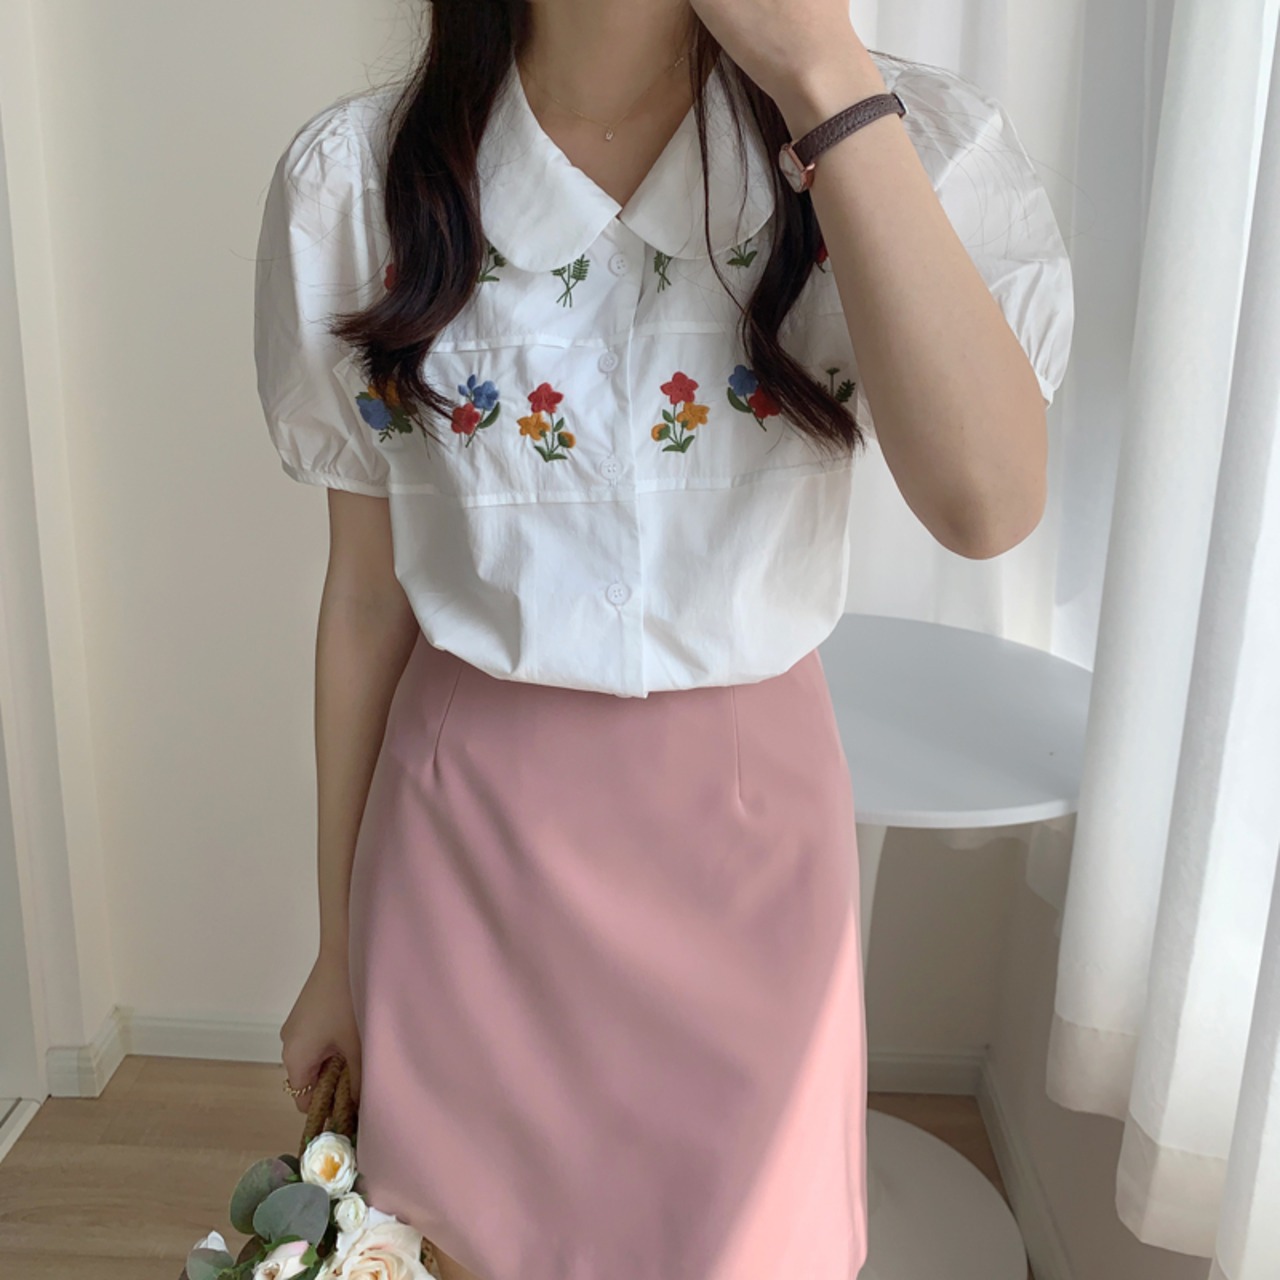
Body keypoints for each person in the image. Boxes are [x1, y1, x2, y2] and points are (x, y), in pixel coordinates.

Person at [254, 1, 1074, 1277]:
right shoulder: (359, 183)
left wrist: (820, 70)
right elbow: (365, 601)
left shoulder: (908, 145)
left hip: (749, 850)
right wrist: (335, 947)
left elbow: (987, 505)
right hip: (464, 845)